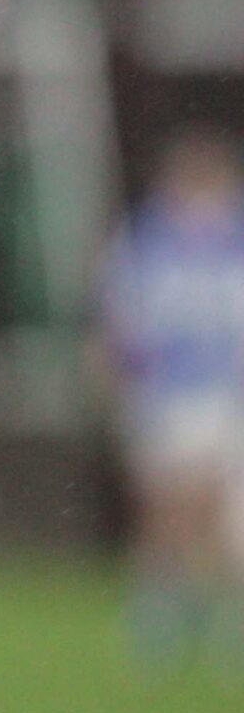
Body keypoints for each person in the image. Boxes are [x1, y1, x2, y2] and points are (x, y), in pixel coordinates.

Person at [97, 127, 244, 664]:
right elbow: (120, 318)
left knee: (226, 516)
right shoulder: (148, 240)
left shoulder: (235, 240)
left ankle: (227, 621)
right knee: (165, 509)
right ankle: (159, 614)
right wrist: (120, 377)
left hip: (226, 395)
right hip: (167, 393)